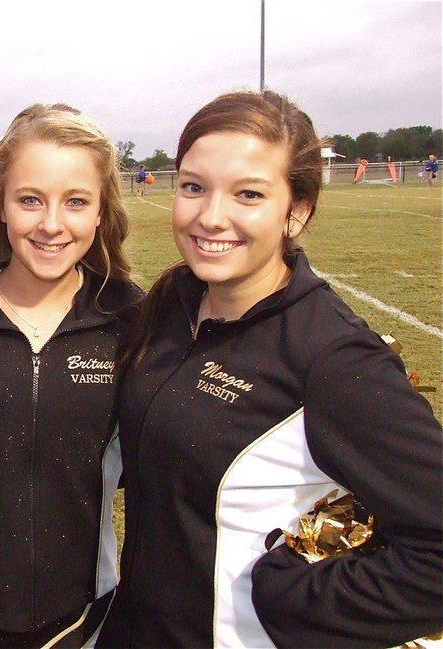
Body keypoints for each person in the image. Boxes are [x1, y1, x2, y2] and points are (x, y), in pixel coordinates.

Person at [97, 90, 443, 649]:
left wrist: (297, 600)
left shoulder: (333, 357)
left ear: (296, 211)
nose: (211, 216)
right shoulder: (166, 310)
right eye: (193, 187)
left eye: (249, 194)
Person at [0, 103, 140, 649]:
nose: (51, 224)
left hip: (85, 620)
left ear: (100, 212)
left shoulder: (133, 322)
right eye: (30, 200)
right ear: (1, 203)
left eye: (75, 202)